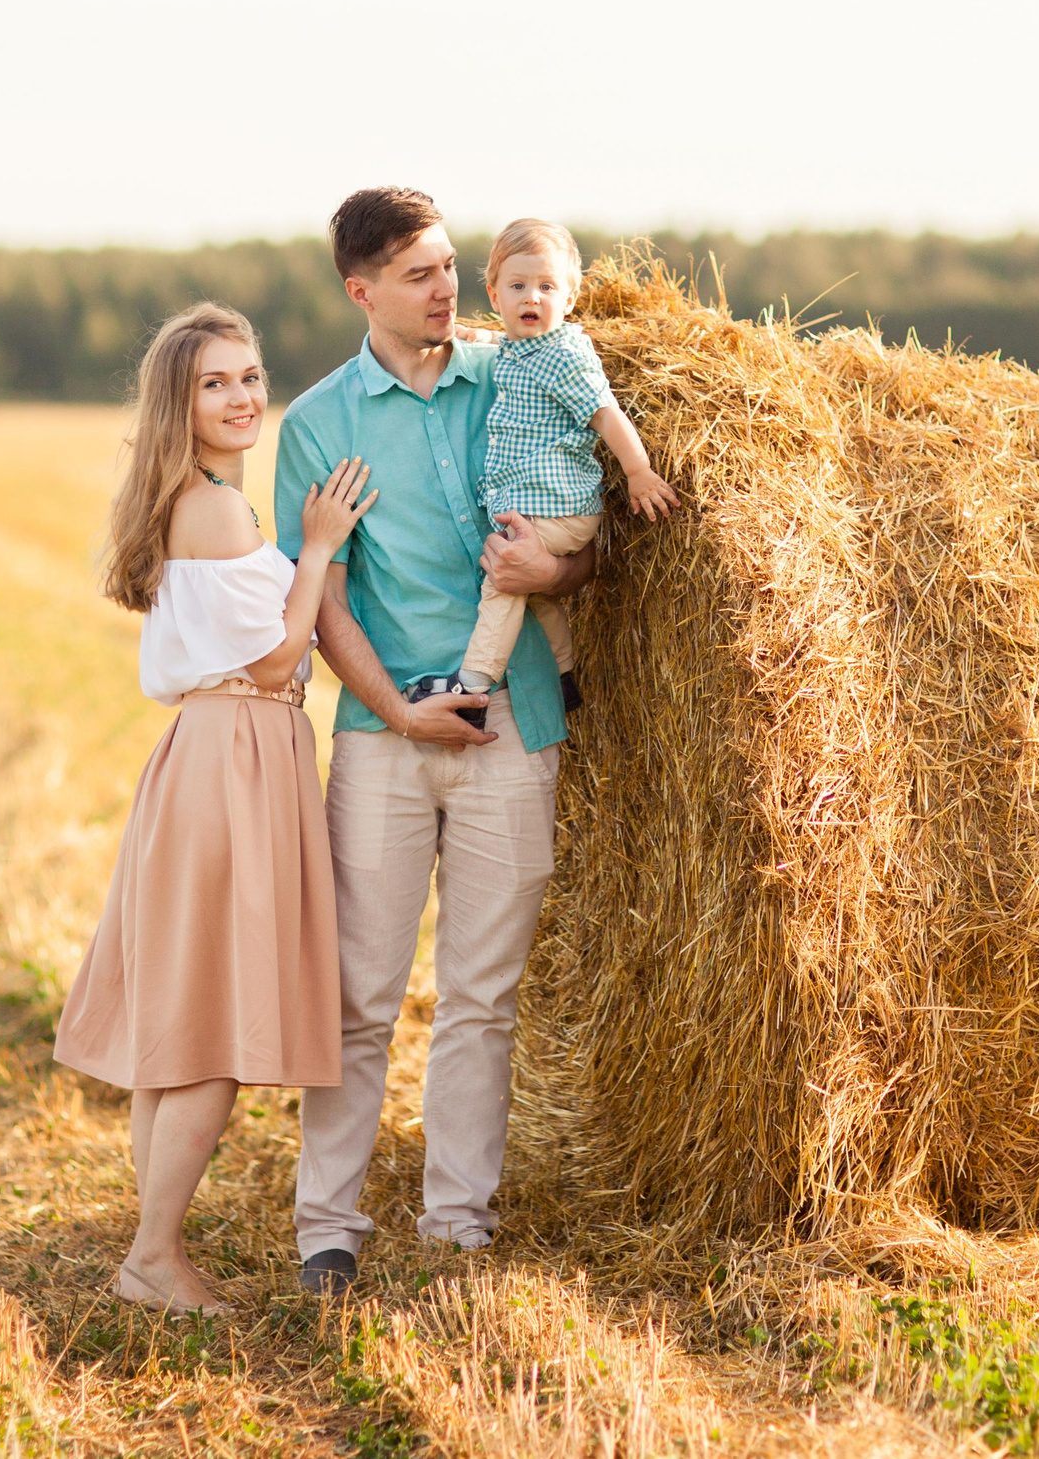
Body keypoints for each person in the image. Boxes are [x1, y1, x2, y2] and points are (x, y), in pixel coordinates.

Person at [272, 188, 598, 1292]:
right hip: (383, 735)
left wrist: (551, 573)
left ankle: (457, 1221)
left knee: (481, 994)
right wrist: (397, 709)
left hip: (515, 727)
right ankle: (329, 1226)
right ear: (361, 291)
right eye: (419, 273)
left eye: (451, 265)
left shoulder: (521, 370)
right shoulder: (320, 423)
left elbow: (583, 529)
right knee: (361, 991)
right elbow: (322, 599)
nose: (448, 289)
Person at [53, 301, 375, 1314]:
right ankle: (153, 1257)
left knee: (185, 1018)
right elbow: (282, 653)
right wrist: (318, 545)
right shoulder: (218, 509)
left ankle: (154, 1248)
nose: (242, 398)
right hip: (235, 757)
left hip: (217, 754)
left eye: (248, 376)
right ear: (177, 405)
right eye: (215, 384)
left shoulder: (188, 498)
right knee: (216, 1028)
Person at [451, 219, 678, 706]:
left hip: (558, 508)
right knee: (538, 595)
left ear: (569, 299)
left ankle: (473, 684)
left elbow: (606, 414)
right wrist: (471, 334)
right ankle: (564, 679)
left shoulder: (564, 355)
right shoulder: (524, 346)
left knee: (506, 580)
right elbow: (502, 345)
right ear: (495, 296)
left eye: (547, 287)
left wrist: (638, 473)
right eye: (518, 286)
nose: (532, 297)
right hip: (539, 506)